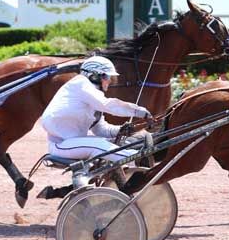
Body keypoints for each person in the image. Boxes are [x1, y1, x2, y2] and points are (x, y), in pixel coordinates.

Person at [37, 56, 151, 199]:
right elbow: (109, 105)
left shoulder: (91, 97)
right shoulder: (81, 84)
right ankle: (137, 159)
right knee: (99, 145)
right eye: (107, 77)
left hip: (73, 143)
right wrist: (138, 111)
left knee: (103, 143)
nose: (110, 81)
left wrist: (124, 129)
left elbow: (102, 130)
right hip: (60, 144)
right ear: (94, 75)